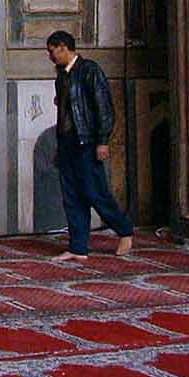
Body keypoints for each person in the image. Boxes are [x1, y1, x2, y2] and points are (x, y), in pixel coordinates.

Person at [46, 30, 133, 261]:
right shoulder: (62, 76)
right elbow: (64, 115)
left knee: (95, 192)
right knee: (71, 196)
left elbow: (103, 107)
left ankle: (124, 230)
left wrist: (102, 141)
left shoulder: (89, 70)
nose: (50, 56)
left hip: (86, 142)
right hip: (68, 144)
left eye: (52, 51)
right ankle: (77, 248)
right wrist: (60, 146)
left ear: (63, 47)